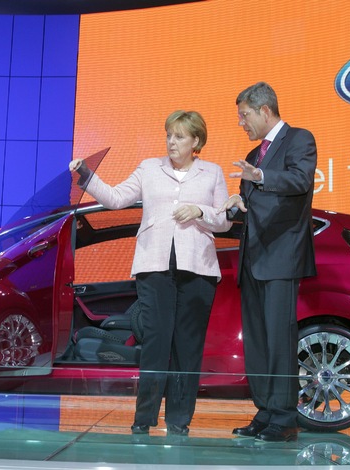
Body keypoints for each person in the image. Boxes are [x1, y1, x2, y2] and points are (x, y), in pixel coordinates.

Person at [69, 110, 232, 436]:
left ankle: (179, 421)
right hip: (154, 267)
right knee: (156, 343)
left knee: (187, 347)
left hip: (197, 268)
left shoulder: (212, 173)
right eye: (169, 134)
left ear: (196, 141)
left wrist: (200, 211)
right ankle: (143, 420)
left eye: (180, 136)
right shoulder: (149, 168)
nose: (172, 141)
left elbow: (224, 220)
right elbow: (116, 199)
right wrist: (86, 176)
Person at [222, 82, 317, 442]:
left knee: (279, 340)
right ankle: (264, 411)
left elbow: (299, 180)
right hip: (253, 257)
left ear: (264, 111)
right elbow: (250, 201)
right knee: (258, 342)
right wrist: (235, 201)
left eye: (244, 116)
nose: (242, 123)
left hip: (281, 256)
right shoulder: (252, 155)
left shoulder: (299, 139)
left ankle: (284, 417)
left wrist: (259, 177)